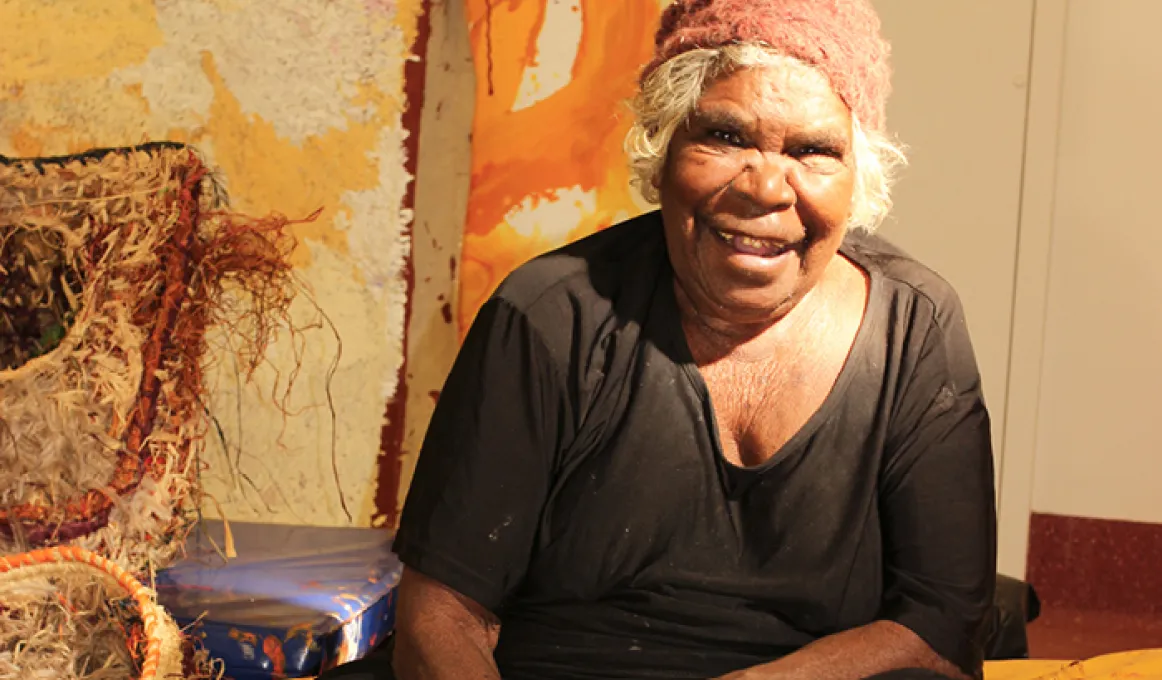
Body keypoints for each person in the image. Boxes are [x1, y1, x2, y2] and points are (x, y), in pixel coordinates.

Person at [330, 0, 998, 678]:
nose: (767, 187)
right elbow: (440, 612)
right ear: (664, 147)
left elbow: (941, 626)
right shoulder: (550, 316)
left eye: (813, 150)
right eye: (726, 137)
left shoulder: (916, 328)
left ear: (859, 176)